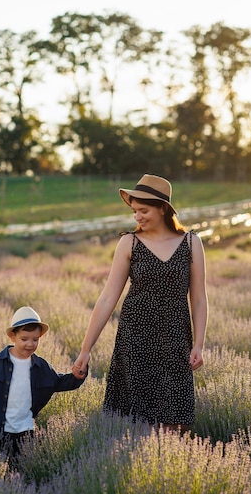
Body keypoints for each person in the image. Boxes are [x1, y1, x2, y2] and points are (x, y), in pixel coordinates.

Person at [72, 174, 208, 434]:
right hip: (135, 337)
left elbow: (199, 298)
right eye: (135, 211)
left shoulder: (192, 242)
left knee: (174, 421)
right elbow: (107, 298)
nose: (137, 217)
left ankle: (168, 469)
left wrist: (199, 343)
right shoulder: (129, 242)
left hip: (175, 338)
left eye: (143, 210)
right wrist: (85, 349)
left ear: (163, 209)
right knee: (134, 421)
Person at [0, 306, 87, 464]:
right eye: (24, 339)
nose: (30, 344)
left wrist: (77, 376)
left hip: (25, 431)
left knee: (21, 468)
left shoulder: (40, 366)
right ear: (13, 337)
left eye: (35, 339)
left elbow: (58, 382)